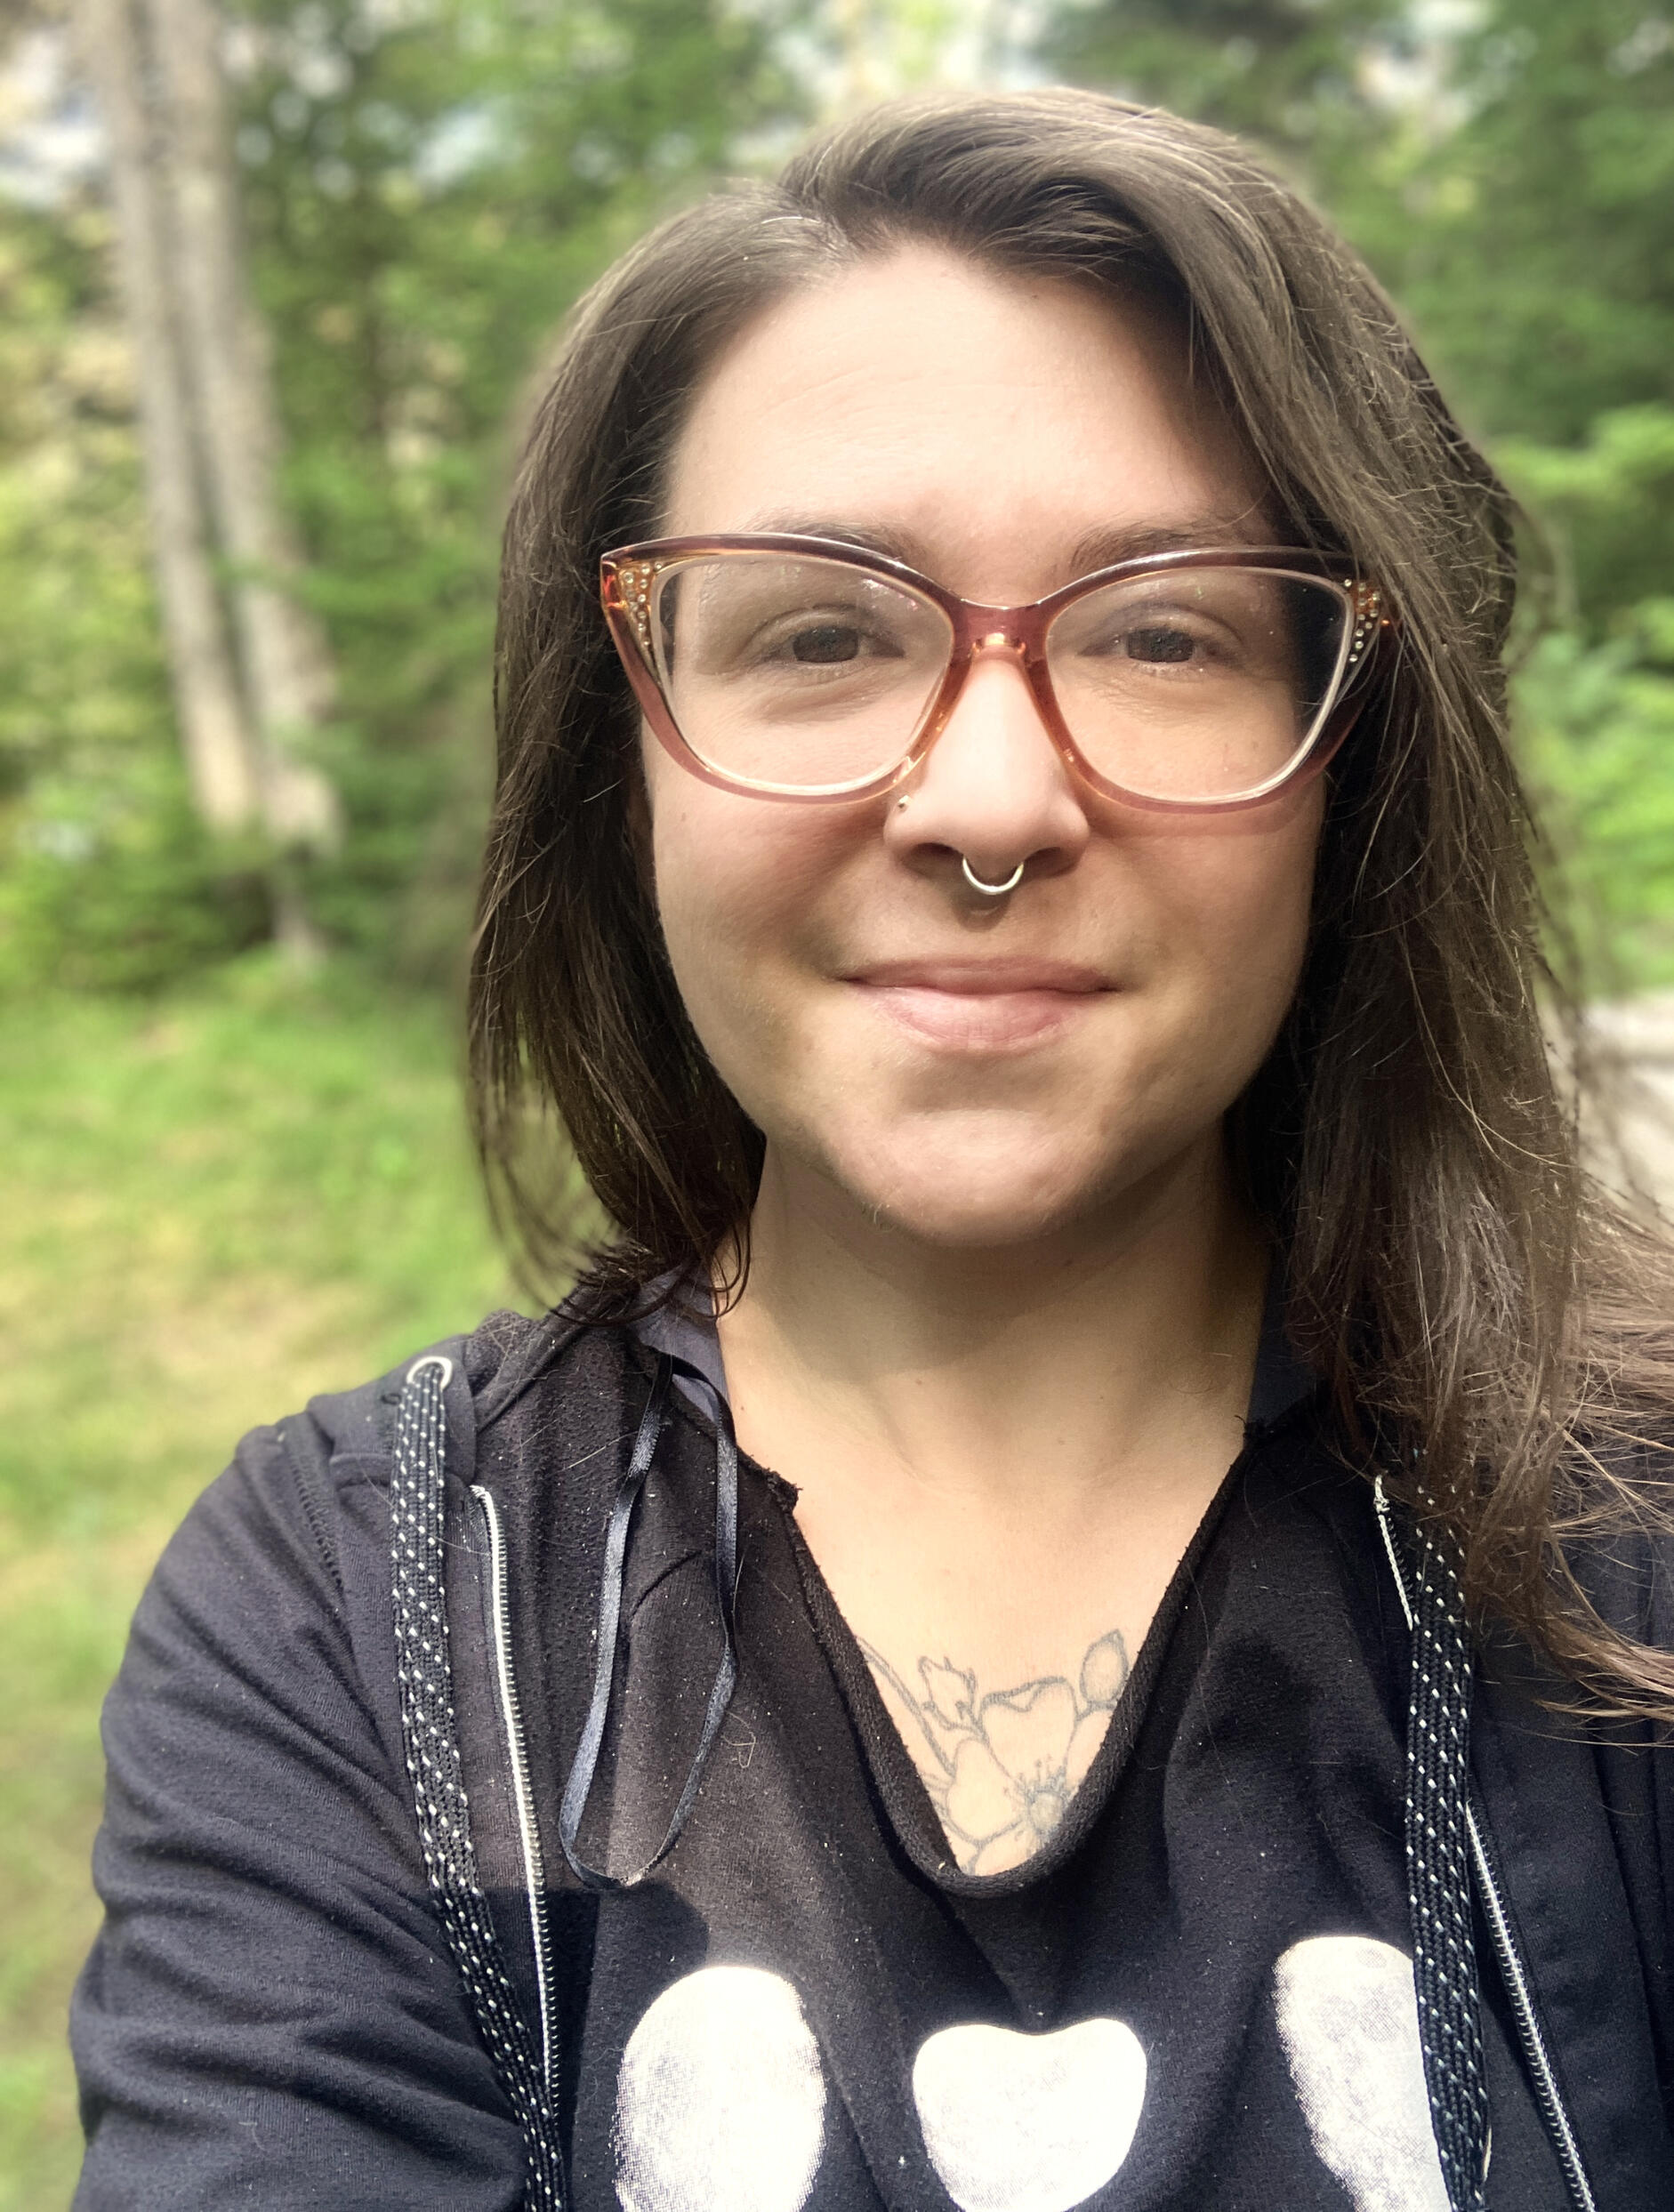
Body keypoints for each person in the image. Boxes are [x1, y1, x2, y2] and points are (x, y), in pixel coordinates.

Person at [71, 89, 1674, 2212]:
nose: (988, 802)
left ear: (1347, 774)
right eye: (819, 631)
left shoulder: (1631, 1545)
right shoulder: (353, 1619)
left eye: (1163, 626)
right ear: (616, 750)